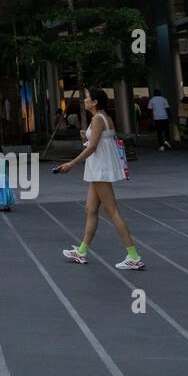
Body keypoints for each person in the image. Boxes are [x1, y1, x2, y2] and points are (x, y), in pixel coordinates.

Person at [53, 88, 144, 269]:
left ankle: (133, 256)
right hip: (98, 169)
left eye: (87, 98)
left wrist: (72, 163)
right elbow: (101, 142)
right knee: (90, 209)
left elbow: (93, 147)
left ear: (95, 102)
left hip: (100, 169)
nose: (84, 100)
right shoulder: (104, 118)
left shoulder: (97, 119)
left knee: (112, 211)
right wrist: (85, 139)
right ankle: (81, 251)